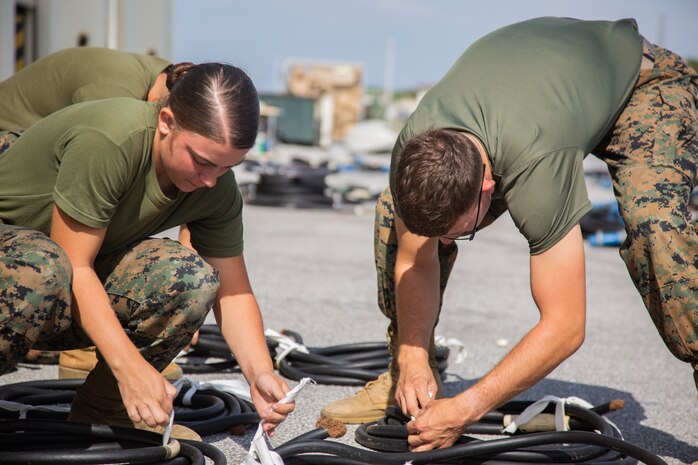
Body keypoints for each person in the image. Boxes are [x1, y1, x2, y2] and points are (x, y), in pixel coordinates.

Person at [321, 16, 698, 451]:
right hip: (548, 96)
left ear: (489, 187)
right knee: (394, 212)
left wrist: (468, 407)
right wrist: (413, 356)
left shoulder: (536, 165)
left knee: (657, 227)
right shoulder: (414, 146)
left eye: (456, 235)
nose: (445, 245)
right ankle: (404, 377)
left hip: (642, 82)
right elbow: (413, 258)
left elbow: (566, 325)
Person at [0, 62, 294, 439]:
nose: (209, 180)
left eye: (227, 167)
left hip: (58, 284)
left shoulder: (216, 187)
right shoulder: (110, 139)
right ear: (168, 121)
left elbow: (233, 293)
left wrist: (259, 372)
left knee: (189, 278)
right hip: (25, 272)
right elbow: (73, 263)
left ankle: (107, 412)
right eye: (202, 161)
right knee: (42, 267)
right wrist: (130, 368)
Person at [0, 46, 194, 377]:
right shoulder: (113, 95)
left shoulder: (167, 82)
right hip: (9, 143)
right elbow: (93, 184)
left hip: (39, 146)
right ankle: (83, 354)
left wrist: (186, 312)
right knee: (67, 242)